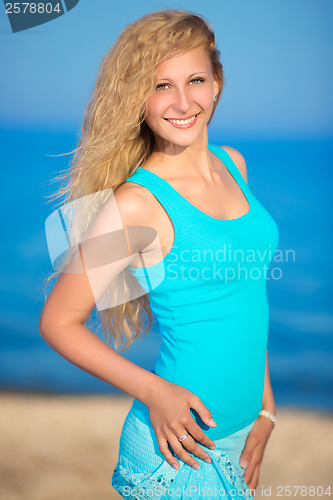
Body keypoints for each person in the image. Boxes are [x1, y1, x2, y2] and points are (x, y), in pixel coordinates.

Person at [40, 9, 279, 500]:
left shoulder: (233, 165)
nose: (183, 101)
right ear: (139, 99)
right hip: (180, 452)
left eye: (195, 80)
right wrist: (153, 391)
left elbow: (246, 298)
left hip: (240, 436)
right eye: (161, 86)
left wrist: (266, 408)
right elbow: (58, 321)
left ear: (217, 84)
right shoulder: (136, 204)